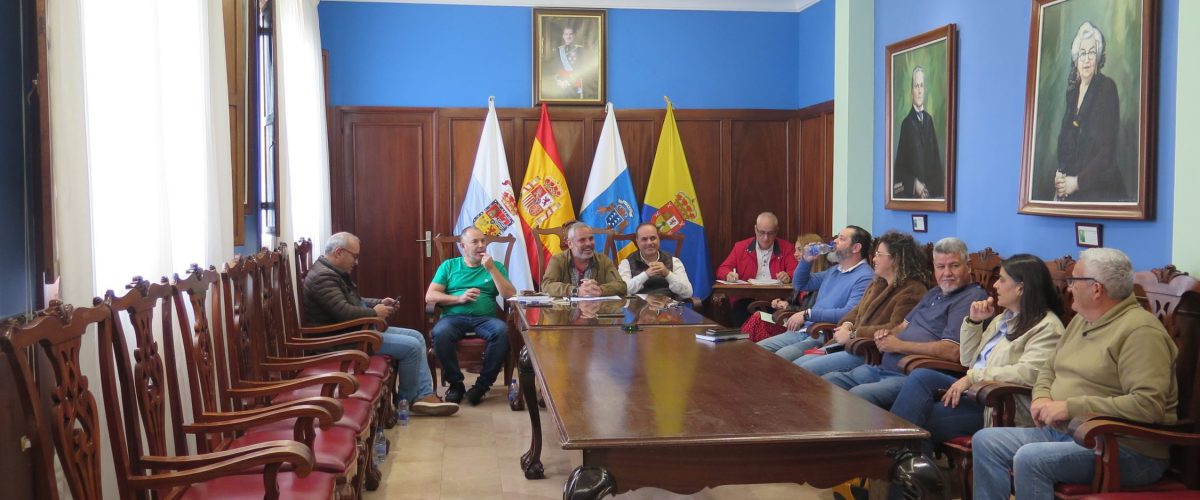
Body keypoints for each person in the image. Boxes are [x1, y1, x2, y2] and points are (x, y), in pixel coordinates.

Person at [972, 248, 1177, 500]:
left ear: (1096, 289)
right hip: (1064, 432)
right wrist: (1042, 398)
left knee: (1030, 459)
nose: (1068, 288)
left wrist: (1071, 407)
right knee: (986, 441)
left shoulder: (1141, 333)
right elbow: (1048, 368)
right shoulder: (1082, 319)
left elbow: (1148, 405)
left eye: (1074, 281)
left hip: (1122, 447)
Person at [889, 254, 1064, 458]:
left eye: (1002, 279)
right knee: (921, 377)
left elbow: (1028, 373)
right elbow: (968, 360)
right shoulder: (1003, 318)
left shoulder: (1047, 328)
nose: (995, 285)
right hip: (974, 393)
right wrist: (974, 323)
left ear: (1021, 288)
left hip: (999, 405)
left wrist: (973, 378)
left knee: (917, 424)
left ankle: (895, 475)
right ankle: (897, 467)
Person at [815, 237, 987, 408]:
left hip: (913, 375)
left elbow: (953, 351)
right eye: (941, 267)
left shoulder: (971, 299)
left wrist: (898, 346)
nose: (947, 273)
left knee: (857, 396)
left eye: (954, 266)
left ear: (968, 266)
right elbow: (903, 326)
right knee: (829, 382)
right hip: (882, 367)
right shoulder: (934, 292)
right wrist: (886, 336)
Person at [304, 232, 459, 416]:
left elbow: (354, 301)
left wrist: (378, 302)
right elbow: (344, 313)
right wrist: (374, 312)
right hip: (342, 339)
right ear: (339, 252)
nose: (356, 261)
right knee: (411, 347)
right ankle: (407, 400)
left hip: (354, 331)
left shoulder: (331, 271)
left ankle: (424, 395)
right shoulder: (323, 277)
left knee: (416, 336)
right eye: (354, 256)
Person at [793, 231, 928, 376]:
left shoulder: (912, 291)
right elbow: (856, 311)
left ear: (895, 259)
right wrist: (847, 324)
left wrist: (853, 335)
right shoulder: (878, 283)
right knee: (796, 366)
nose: (874, 259)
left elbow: (895, 328)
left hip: (868, 351)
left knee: (804, 371)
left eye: (879, 255)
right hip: (848, 344)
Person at [424, 227, 517, 406]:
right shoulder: (449, 266)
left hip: (485, 319)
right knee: (440, 332)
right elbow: (431, 296)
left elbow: (509, 295)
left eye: (483, 241)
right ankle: (456, 384)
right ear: (463, 246)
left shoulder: (495, 266)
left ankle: (481, 387)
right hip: (453, 318)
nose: (481, 245)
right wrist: (459, 298)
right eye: (475, 242)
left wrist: (491, 270)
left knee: (503, 331)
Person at [756, 225, 874, 361]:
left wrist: (809, 314)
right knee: (757, 350)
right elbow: (800, 284)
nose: (834, 241)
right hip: (804, 330)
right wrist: (806, 260)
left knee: (779, 359)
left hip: (823, 334)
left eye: (841, 239)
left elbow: (849, 313)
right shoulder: (835, 270)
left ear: (856, 248)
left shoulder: (865, 277)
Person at [1053, 21, 1123, 202]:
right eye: (1082, 53)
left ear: (1098, 57)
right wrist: (1060, 176)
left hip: (1100, 190)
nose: (1086, 59)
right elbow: (1065, 144)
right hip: (1072, 189)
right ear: (1076, 59)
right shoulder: (1072, 93)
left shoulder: (1107, 88)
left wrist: (1076, 182)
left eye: (1092, 52)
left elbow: (1107, 152)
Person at [739, 233, 830, 342]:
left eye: (800, 250)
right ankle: (745, 350)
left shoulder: (825, 278)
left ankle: (746, 351)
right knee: (758, 317)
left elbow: (815, 311)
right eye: (795, 250)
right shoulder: (802, 275)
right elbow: (791, 301)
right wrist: (780, 303)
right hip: (790, 321)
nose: (795, 254)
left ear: (815, 253)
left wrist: (788, 307)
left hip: (804, 327)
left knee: (758, 319)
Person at [716, 212, 799, 326]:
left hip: (776, 301)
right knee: (741, 317)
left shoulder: (787, 248)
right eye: (761, 233)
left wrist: (788, 276)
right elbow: (723, 269)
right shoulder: (741, 247)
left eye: (770, 233)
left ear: (776, 231)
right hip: (745, 299)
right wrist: (728, 274)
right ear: (755, 229)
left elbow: (797, 272)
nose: (765, 238)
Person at [893, 66, 944, 199]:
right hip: (913, 197)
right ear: (912, 92)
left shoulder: (929, 121)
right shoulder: (906, 125)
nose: (920, 91)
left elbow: (937, 165)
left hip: (931, 197)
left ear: (925, 90)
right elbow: (899, 171)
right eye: (916, 86)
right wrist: (914, 185)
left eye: (921, 86)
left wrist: (930, 190)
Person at [542, 222, 628, 297]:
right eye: (582, 240)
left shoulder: (603, 260)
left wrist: (600, 290)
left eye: (591, 239)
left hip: (596, 311)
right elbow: (546, 285)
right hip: (566, 313)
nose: (588, 243)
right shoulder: (558, 260)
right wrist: (575, 291)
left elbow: (621, 286)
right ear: (570, 244)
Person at [618, 223, 693, 300]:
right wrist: (645, 275)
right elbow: (623, 291)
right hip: (639, 308)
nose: (649, 243)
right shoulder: (626, 263)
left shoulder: (674, 261)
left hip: (668, 308)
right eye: (644, 239)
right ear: (637, 241)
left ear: (658, 239)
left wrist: (668, 274)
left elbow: (688, 293)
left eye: (653, 238)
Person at [542, 23, 598, 100]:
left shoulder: (581, 50)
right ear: (563, 36)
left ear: (574, 36)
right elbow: (555, 68)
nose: (568, 36)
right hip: (563, 83)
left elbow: (586, 67)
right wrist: (559, 79)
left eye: (570, 34)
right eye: (566, 34)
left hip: (577, 82)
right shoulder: (559, 51)